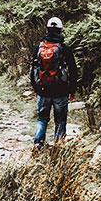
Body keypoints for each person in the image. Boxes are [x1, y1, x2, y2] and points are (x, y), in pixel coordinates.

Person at [30, 16, 78, 148]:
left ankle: (38, 144)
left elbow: (33, 69)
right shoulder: (65, 48)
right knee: (60, 121)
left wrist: (36, 88)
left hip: (43, 90)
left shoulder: (38, 47)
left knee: (42, 119)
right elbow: (73, 71)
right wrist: (72, 90)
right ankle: (58, 146)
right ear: (61, 30)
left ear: (47, 29)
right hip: (61, 91)